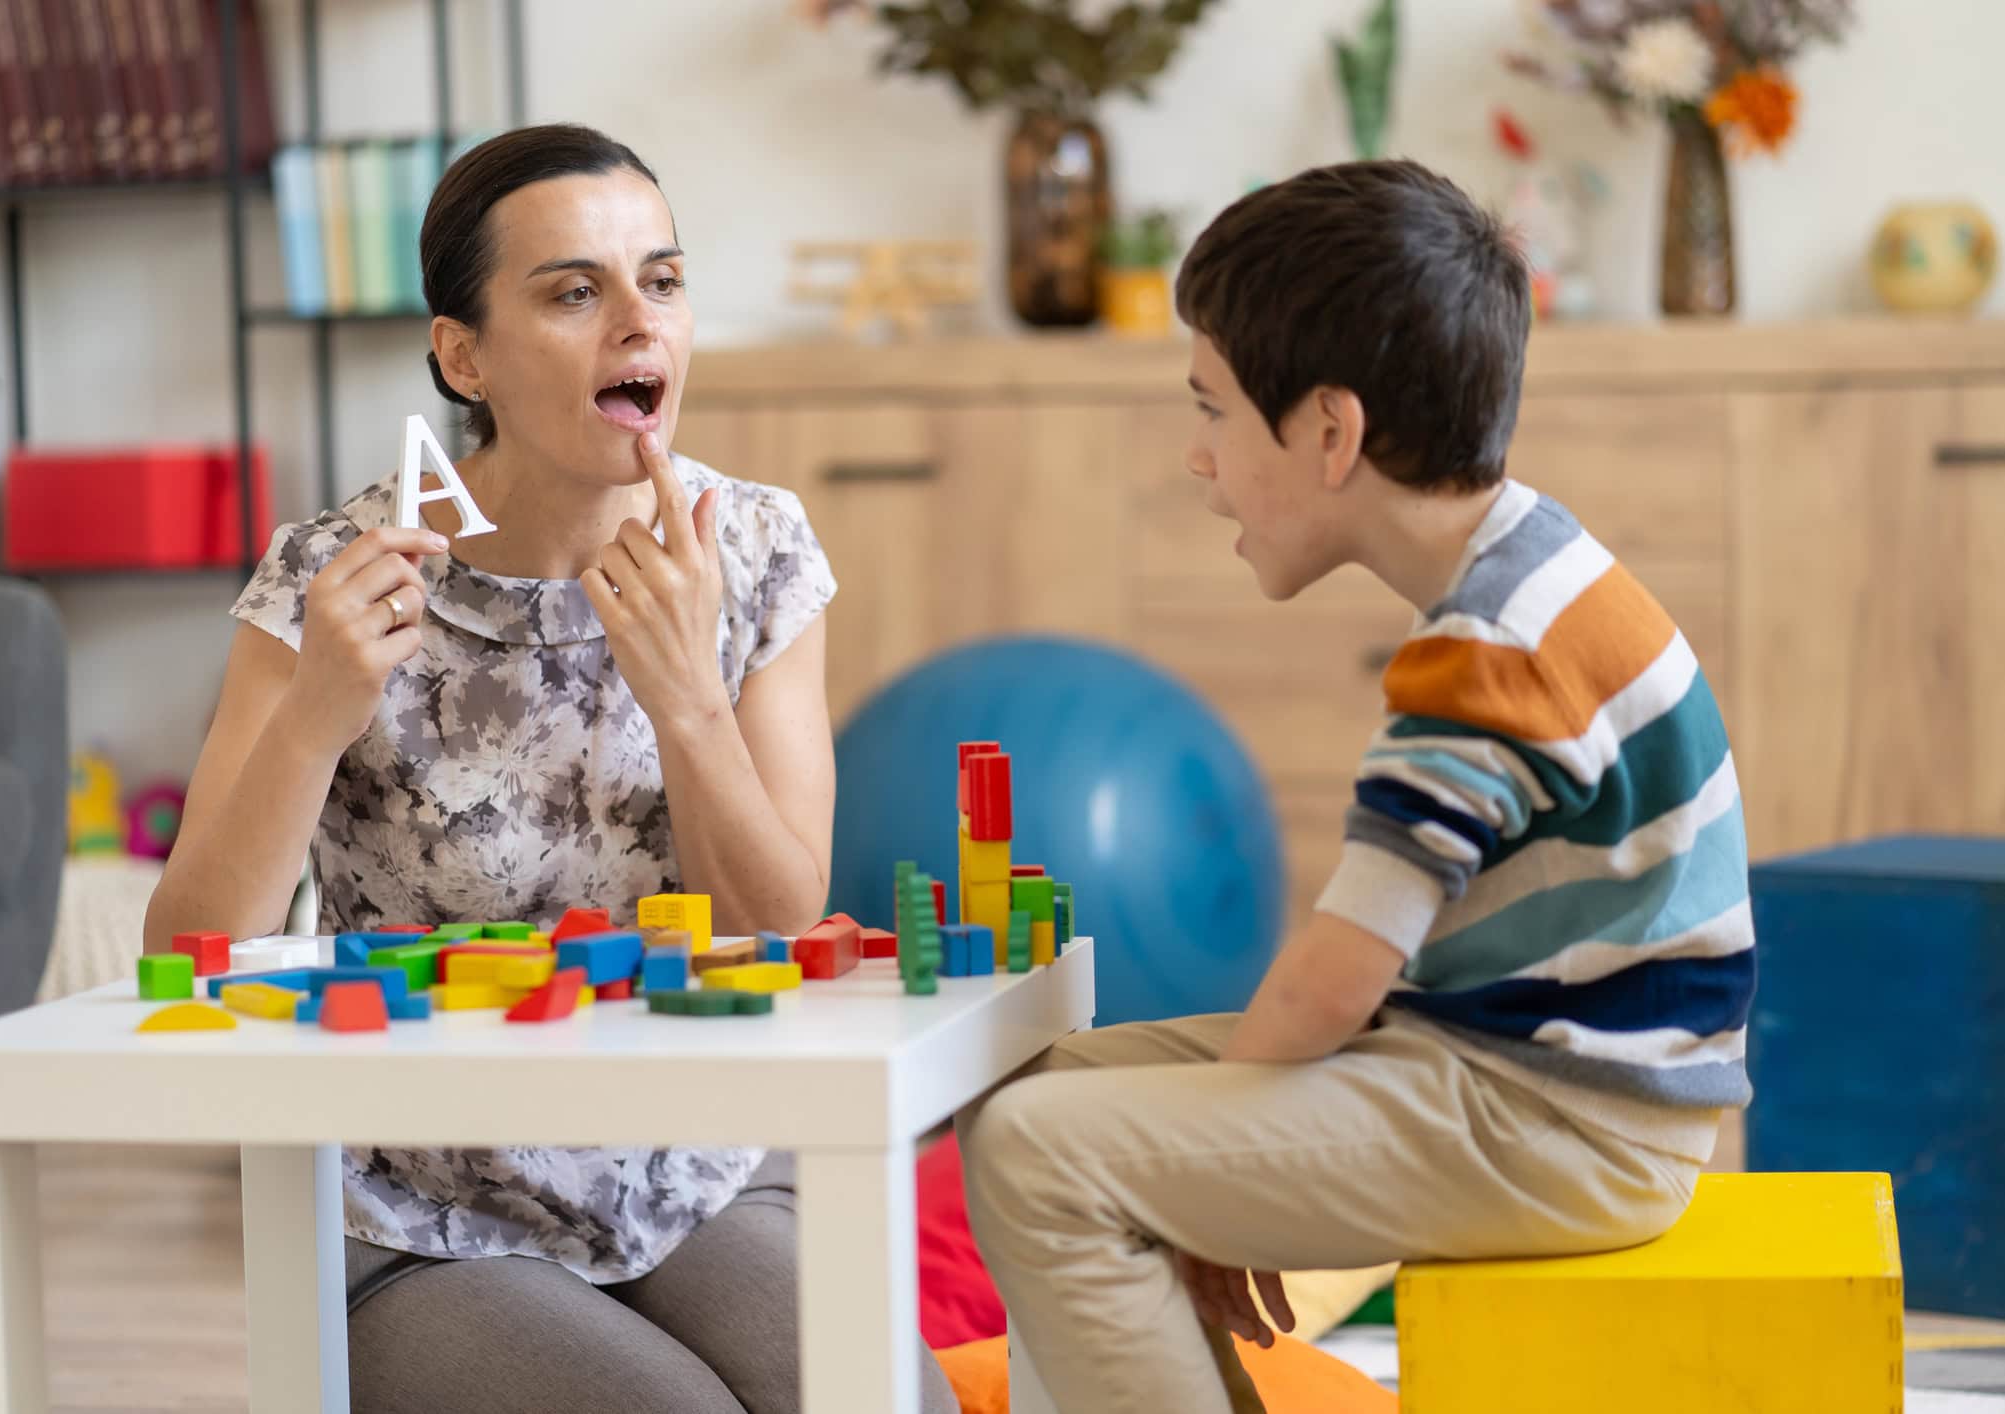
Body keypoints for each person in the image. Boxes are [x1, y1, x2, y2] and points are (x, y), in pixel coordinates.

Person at [146, 123, 957, 1414]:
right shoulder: (334, 576)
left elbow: (773, 928)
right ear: (461, 354)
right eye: (575, 291)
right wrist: (314, 714)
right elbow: (189, 949)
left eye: (664, 281)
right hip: (419, 1211)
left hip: (695, 1175)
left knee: (883, 1397)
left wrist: (690, 700)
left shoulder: (754, 549)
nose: (638, 320)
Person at [956, 159, 1755, 1413]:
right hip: (1527, 1071)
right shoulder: (1536, 561)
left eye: (1212, 409)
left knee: (1032, 1154)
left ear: (1331, 431)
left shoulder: (1483, 659)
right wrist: (1195, 1162)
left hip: (1563, 1123)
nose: (1198, 458)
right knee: (1059, 1089)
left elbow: (1338, 974)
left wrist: (1207, 1179)